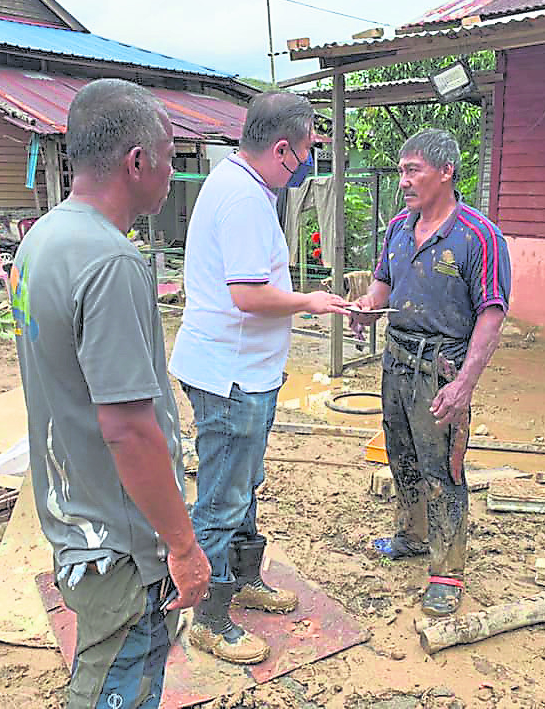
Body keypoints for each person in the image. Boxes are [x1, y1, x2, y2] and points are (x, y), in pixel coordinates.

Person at [11, 79, 210, 709]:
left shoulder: (40, 241)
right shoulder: (111, 262)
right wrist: (182, 547)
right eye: (172, 153)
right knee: (118, 681)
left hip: (73, 515)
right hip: (122, 545)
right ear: (137, 161)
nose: (173, 168)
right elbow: (128, 428)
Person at [169, 92, 350, 664]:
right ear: (281, 149)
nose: (308, 162)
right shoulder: (245, 198)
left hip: (244, 370)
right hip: (232, 376)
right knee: (223, 498)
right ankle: (210, 616)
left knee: (244, 485)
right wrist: (311, 302)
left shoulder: (241, 185)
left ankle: (242, 577)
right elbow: (248, 295)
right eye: (307, 151)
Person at [350, 128, 510, 618]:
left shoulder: (478, 236)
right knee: (401, 453)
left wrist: (464, 384)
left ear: (446, 172)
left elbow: (492, 312)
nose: (403, 181)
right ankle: (413, 535)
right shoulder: (399, 228)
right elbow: (383, 284)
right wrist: (365, 305)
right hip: (396, 359)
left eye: (412, 170)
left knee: (444, 467)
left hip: (442, 367)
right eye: (401, 170)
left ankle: (447, 571)